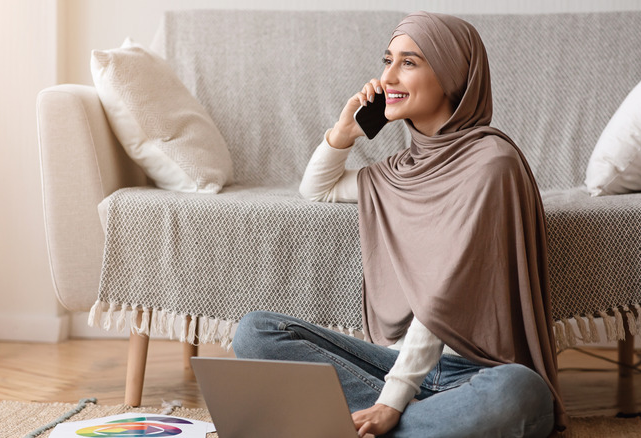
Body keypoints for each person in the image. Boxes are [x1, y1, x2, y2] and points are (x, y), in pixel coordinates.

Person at [232, 11, 567, 438]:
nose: (388, 77)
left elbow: (441, 296)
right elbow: (317, 189)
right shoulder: (402, 169)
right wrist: (344, 131)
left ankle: (354, 423)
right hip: (394, 365)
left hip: (477, 372)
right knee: (258, 332)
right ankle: (414, 427)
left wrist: (392, 401)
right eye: (387, 60)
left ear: (451, 75)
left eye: (408, 63)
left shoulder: (491, 165)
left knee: (518, 395)